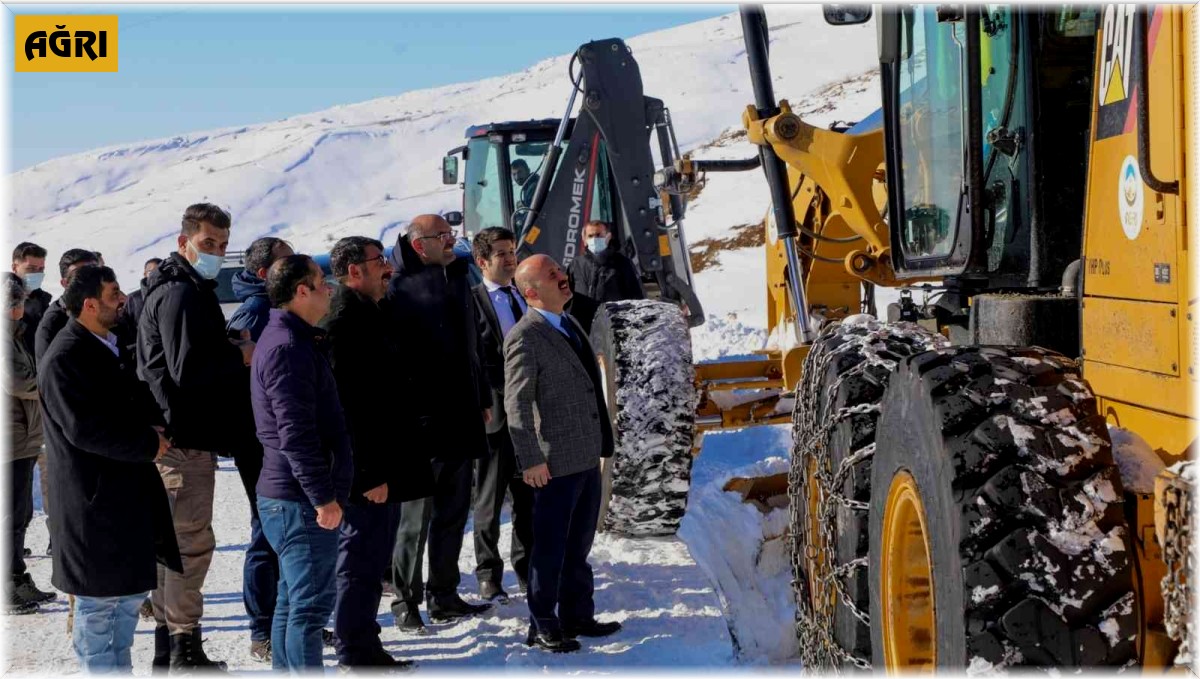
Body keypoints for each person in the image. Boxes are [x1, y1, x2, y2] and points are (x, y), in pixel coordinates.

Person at [37, 265, 182, 673]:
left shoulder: (106, 346)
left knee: (125, 608)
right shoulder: (66, 356)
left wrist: (150, 427)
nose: (123, 299)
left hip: (124, 500)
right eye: (114, 293)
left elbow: (121, 409)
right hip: (92, 505)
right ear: (89, 304)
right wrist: (147, 443)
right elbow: (86, 429)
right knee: (99, 613)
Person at [138, 202, 254, 671]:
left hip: (179, 436)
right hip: (183, 441)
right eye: (209, 243)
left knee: (175, 549)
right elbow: (188, 370)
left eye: (223, 246)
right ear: (185, 240)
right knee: (190, 548)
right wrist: (239, 357)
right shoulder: (181, 294)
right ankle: (184, 649)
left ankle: (171, 646)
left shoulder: (183, 287)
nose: (216, 252)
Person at [506, 254, 621, 653]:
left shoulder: (568, 321)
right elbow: (516, 405)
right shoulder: (525, 336)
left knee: (578, 547)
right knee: (550, 549)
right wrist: (531, 458)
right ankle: (543, 624)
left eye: (559, 269)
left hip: (585, 456)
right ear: (532, 292)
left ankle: (577, 615)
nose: (562, 276)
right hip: (553, 463)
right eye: (551, 275)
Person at [322, 236, 426, 670]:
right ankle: (355, 649)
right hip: (367, 472)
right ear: (353, 272)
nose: (387, 268)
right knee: (360, 561)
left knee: (371, 558)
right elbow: (350, 410)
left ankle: (364, 639)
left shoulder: (372, 312)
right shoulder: (344, 323)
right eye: (378, 261)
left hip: (385, 464)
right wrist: (367, 475)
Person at [385, 214, 492, 633]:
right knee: (415, 520)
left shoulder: (457, 275)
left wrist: (481, 397)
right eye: (441, 237)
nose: (451, 241)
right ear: (418, 245)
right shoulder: (397, 286)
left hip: (462, 417)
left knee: (453, 513)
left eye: (450, 235)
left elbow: (472, 346)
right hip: (423, 424)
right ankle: (405, 602)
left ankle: (444, 595)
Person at [251, 254, 352, 672]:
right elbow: (296, 434)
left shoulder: (292, 338)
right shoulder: (288, 348)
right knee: (309, 611)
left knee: (292, 603)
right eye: (320, 280)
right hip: (299, 500)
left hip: (289, 497)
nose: (329, 287)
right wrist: (323, 496)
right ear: (300, 292)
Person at [223, 236, 293, 662]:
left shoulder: (276, 308)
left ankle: (286, 622)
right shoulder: (254, 312)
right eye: (288, 262)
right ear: (266, 273)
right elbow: (236, 381)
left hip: (280, 442)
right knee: (266, 535)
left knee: (289, 535)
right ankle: (261, 630)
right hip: (261, 443)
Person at [470, 227, 534, 603]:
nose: (511, 259)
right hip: (495, 412)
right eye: (502, 254)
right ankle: (488, 574)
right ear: (482, 261)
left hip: (531, 415)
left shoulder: (525, 294)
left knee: (529, 496)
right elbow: (476, 357)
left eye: (512, 251)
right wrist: (506, 388)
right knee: (490, 500)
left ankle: (527, 568)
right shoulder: (473, 301)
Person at [2, 274, 52, 614]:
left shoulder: (14, 335)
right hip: (11, 437)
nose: (21, 308)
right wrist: (49, 384)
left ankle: (17, 576)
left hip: (24, 436)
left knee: (20, 513)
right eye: (17, 302)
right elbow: (18, 381)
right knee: (11, 515)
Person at [566, 221, 645, 323]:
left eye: (599, 235)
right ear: (584, 240)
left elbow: (636, 296)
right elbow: (566, 296)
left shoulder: (622, 263)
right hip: (583, 325)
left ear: (608, 237)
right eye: (590, 236)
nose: (594, 239)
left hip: (613, 324)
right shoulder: (576, 265)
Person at [34, 248, 101, 364]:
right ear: (65, 283)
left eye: (96, 273)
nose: (91, 280)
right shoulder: (52, 325)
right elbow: (49, 376)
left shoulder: (107, 305)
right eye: (81, 275)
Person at [227, 237, 294, 343]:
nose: (297, 268)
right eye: (288, 264)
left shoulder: (280, 303)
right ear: (263, 273)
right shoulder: (253, 315)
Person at [115, 257, 162, 354]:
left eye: (160, 271)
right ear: (145, 274)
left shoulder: (170, 295)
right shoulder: (133, 299)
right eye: (152, 272)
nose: (157, 275)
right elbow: (125, 330)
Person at [11, 243, 49, 355]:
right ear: (14, 267)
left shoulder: (44, 302)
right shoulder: (5, 303)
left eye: (41, 269)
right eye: (31, 269)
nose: (37, 273)